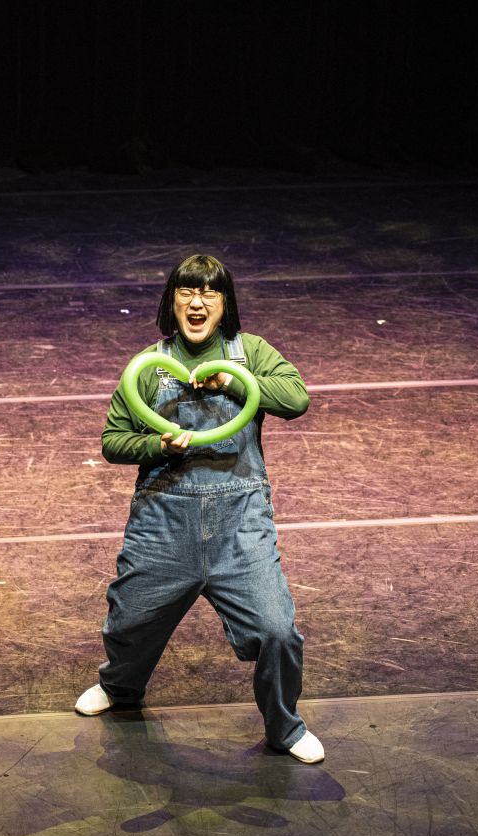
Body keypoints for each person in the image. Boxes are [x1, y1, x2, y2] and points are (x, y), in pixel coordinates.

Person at [76, 254, 324, 764]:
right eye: (187, 291)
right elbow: (113, 441)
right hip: (164, 520)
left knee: (277, 630)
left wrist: (233, 380)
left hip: (240, 523)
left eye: (209, 292)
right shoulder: (150, 366)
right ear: (172, 301)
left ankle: (285, 727)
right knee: (130, 623)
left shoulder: (249, 353)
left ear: (224, 303)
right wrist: (158, 446)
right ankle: (121, 688)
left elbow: (296, 399)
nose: (197, 302)